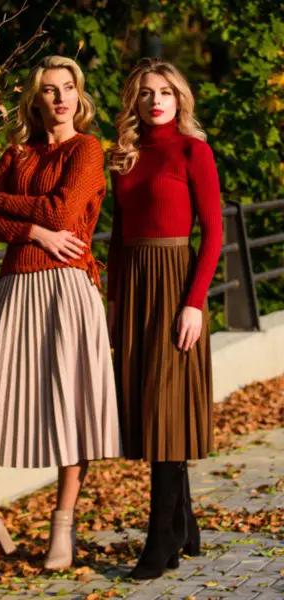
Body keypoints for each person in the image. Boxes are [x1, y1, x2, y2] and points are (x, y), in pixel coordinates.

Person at [0, 55, 121, 572]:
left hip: (69, 287)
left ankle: (62, 530)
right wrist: (32, 231)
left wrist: (1, 199)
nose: (60, 98)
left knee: (71, 407)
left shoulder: (87, 149)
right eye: (48, 90)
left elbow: (64, 212)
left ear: (78, 96)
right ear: (34, 98)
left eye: (67, 88)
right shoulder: (17, 152)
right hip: (17, 285)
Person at [107, 57, 223, 579]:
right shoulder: (124, 157)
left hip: (176, 284)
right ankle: (184, 521)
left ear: (180, 100)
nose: (156, 100)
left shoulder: (193, 151)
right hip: (134, 287)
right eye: (148, 92)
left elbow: (214, 234)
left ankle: (161, 541)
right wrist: (111, 305)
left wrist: (194, 302)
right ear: (135, 99)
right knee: (148, 406)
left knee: (166, 408)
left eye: (166, 93)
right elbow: (114, 236)